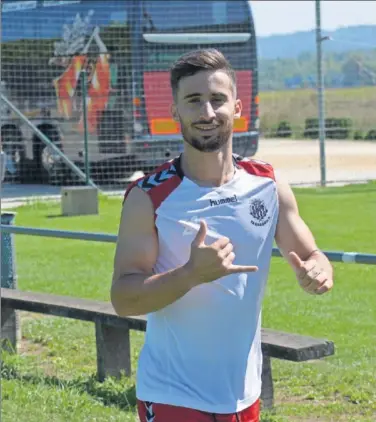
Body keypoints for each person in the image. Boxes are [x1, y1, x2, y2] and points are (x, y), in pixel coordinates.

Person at [111, 49, 334, 422]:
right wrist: (191, 274)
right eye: (193, 100)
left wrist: (318, 270)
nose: (207, 112)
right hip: (172, 395)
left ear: (238, 107)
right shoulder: (148, 196)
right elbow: (124, 299)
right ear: (175, 112)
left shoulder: (268, 185)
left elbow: (312, 254)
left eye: (217, 99)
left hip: (243, 395)